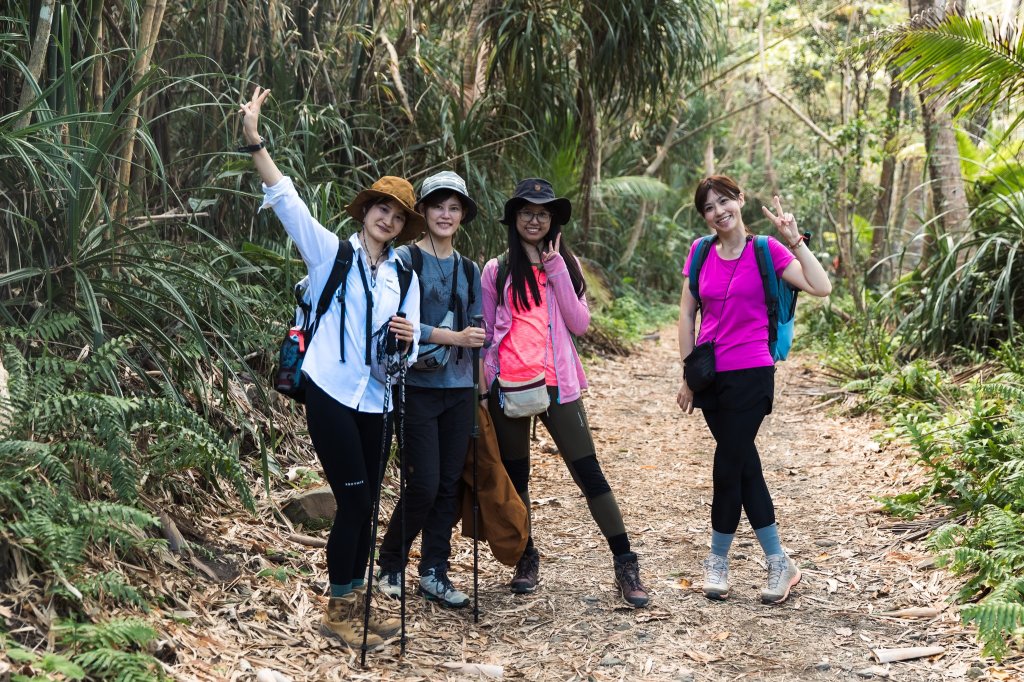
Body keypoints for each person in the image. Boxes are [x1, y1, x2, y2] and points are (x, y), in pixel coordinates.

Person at [238, 86, 422, 647]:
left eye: (397, 216)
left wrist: (409, 339)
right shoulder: (330, 254)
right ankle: (337, 609)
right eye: (381, 209)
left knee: (365, 509)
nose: (388, 219)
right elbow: (287, 200)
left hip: (378, 399)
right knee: (356, 501)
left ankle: (353, 600)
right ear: (365, 211)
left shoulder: (403, 276)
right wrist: (254, 141)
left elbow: (409, 348)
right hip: (330, 391)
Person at [481, 178, 650, 608]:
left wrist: (556, 267)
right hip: (510, 387)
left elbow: (579, 324)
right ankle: (526, 557)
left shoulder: (566, 265)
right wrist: (485, 389)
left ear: (553, 220)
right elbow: (485, 337)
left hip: (559, 385)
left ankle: (625, 562)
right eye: (526, 212)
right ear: (514, 218)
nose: (534, 219)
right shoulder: (496, 269)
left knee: (588, 472)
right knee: (518, 477)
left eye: (542, 213)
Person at [676, 175, 832, 605]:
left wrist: (794, 238)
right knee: (745, 466)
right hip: (711, 375)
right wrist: (689, 374)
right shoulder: (700, 250)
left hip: (752, 372)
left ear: (740, 200)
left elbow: (821, 286)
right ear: (703, 215)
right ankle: (781, 562)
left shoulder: (768, 250)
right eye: (709, 207)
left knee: (728, 465)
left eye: (724, 201)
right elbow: (687, 314)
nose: (718, 211)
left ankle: (717, 559)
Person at [375, 171, 485, 608]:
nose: (445, 213)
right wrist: (453, 336)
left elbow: (476, 329)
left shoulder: (469, 268)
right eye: (438, 205)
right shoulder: (403, 260)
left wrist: (476, 373)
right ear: (422, 211)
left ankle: (435, 570)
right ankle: (391, 562)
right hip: (415, 386)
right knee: (423, 482)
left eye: (454, 207)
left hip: (459, 389)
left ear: (461, 216)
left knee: (448, 486)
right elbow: (396, 323)